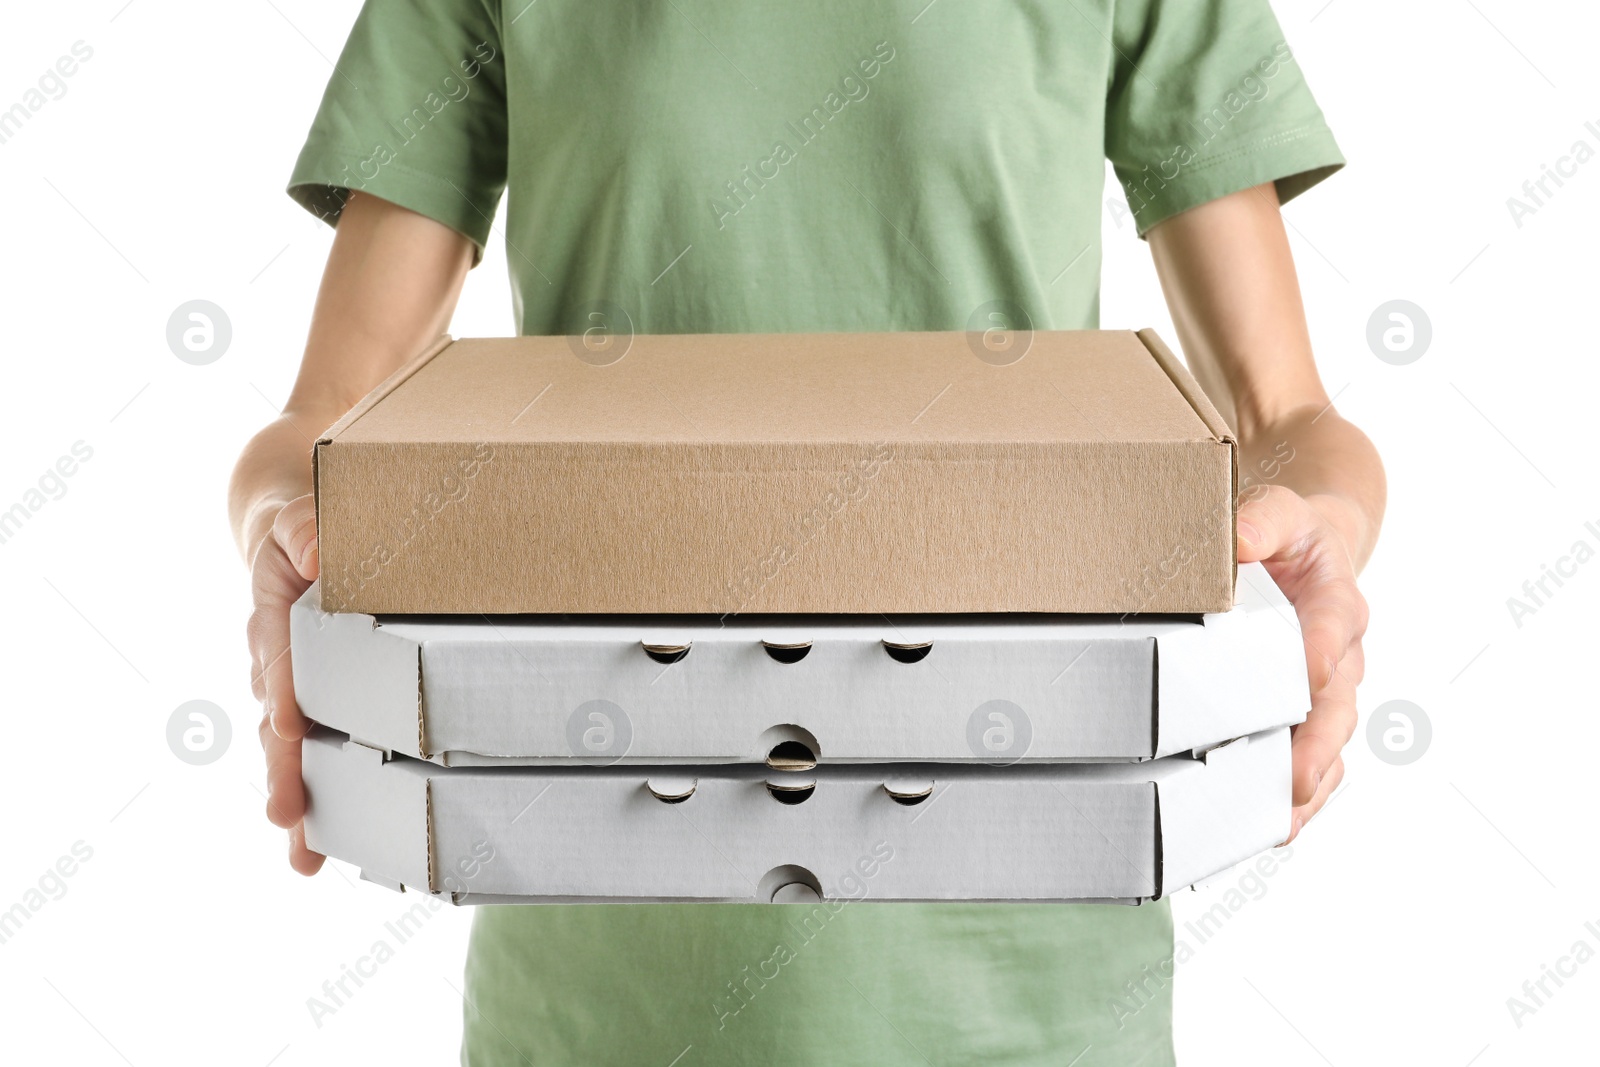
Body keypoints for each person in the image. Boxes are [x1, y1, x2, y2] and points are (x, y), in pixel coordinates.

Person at [231, 1, 1382, 1062]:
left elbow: (1283, 419)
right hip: (602, 973)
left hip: (1031, 976)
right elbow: (326, 430)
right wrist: (279, 539)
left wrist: (1315, 534)